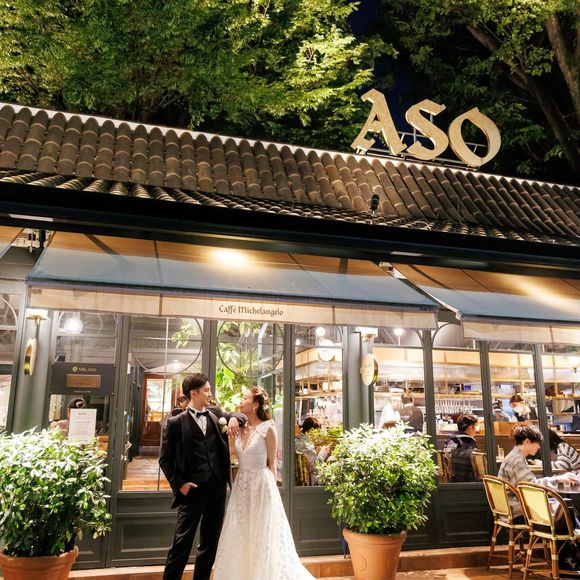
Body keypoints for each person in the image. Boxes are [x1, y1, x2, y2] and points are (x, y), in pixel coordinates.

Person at [213, 387, 314, 580]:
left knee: (262, 530)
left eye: (245, 398)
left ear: (255, 405)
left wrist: (272, 492)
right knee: (241, 530)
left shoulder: (268, 428)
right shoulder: (238, 427)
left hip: (261, 485)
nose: (241, 401)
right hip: (241, 485)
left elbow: (272, 463)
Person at [159, 373, 246, 580]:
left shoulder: (216, 414)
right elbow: (165, 460)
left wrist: (234, 417)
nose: (210, 393)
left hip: (217, 490)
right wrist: (180, 485)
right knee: (181, 544)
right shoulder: (176, 422)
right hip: (192, 491)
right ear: (194, 393)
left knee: (209, 543)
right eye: (206, 390)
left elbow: (241, 416)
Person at [498, 424, 580, 520]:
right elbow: (532, 485)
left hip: (512, 508)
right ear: (527, 442)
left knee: (562, 507)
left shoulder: (514, 456)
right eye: (537, 443)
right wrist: (557, 479)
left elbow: (530, 485)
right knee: (565, 508)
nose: (539, 447)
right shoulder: (517, 460)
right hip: (518, 512)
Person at [295, 416, 329, 485]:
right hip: (310, 482)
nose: (318, 435)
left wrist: (316, 452)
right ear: (311, 430)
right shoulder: (305, 444)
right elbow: (315, 465)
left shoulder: (300, 440)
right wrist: (323, 453)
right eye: (317, 432)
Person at [445, 414, 479, 482]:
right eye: (475, 427)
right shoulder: (470, 441)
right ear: (470, 427)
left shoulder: (450, 440)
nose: (475, 430)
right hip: (469, 483)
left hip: (452, 482)